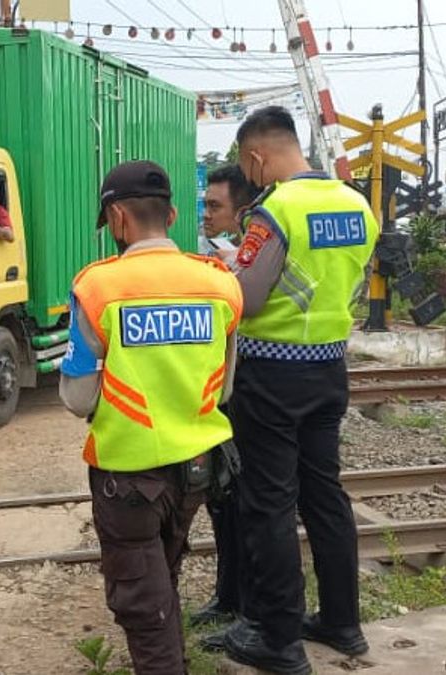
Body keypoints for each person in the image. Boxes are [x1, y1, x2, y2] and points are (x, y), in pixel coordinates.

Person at [60, 160, 243, 675]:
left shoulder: (99, 288)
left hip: (129, 472)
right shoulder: (220, 284)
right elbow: (225, 384)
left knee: (141, 600)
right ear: (174, 213)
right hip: (196, 470)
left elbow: (78, 396)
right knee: (163, 574)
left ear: (118, 217)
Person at [221, 106, 378, 675]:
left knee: (269, 503)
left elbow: (250, 299)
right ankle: (342, 622)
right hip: (329, 366)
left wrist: (220, 279)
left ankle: (278, 639)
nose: (249, 173)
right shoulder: (357, 204)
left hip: (271, 374)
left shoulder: (276, 209)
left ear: (258, 155)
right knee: (324, 495)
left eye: (246, 163)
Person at [189, 163, 262, 631]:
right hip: (220, 395)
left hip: (252, 390)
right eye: (204, 206)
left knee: (248, 501)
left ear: (240, 211)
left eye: (214, 206)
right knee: (221, 497)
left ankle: (249, 606)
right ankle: (227, 595)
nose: (206, 215)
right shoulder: (215, 257)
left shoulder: (252, 257)